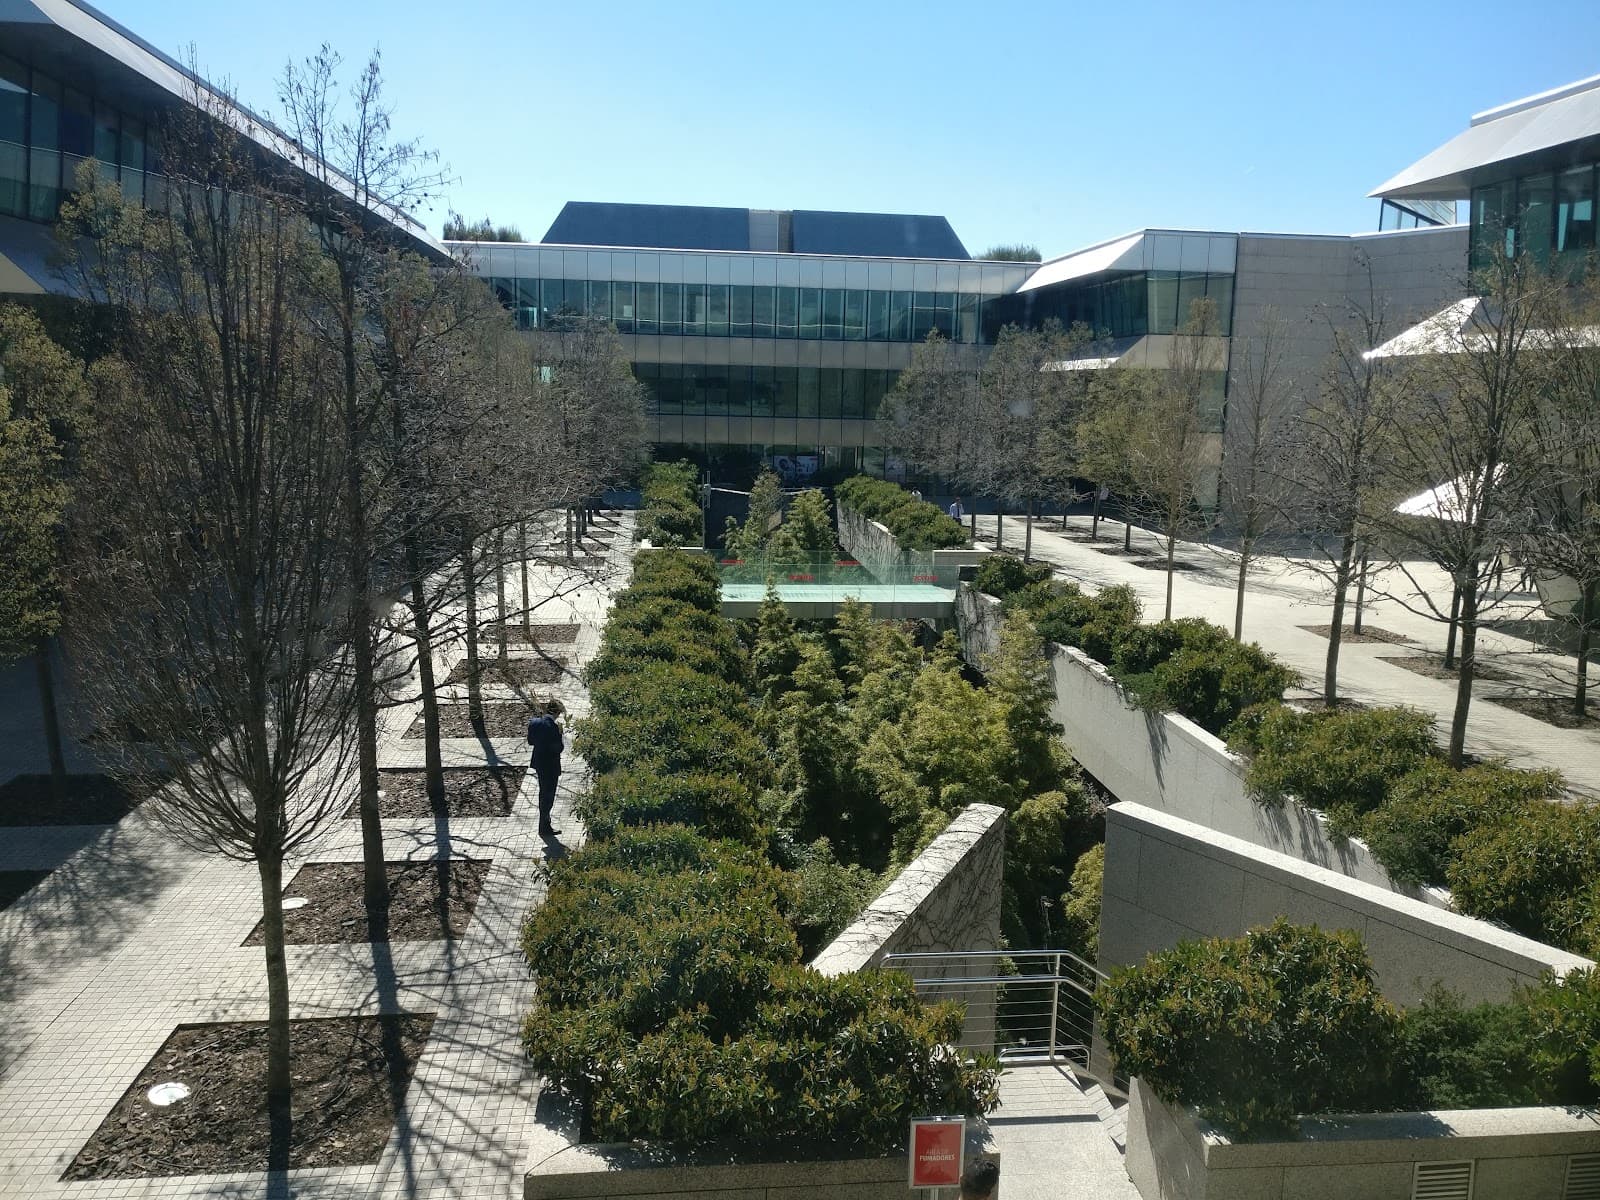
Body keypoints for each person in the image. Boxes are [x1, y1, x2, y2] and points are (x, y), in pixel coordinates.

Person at [527, 698, 565, 839]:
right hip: (550, 766)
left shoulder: (534, 723)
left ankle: (544, 824)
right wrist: (560, 734)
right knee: (548, 795)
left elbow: (531, 741)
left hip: (539, 763)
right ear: (556, 713)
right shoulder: (555, 728)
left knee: (543, 792)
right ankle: (544, 826)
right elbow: (558, 749)